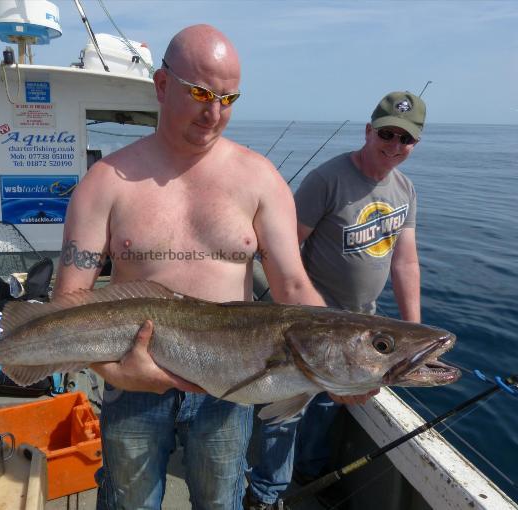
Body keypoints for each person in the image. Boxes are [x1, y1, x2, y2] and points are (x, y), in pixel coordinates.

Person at [52, 24, 325, 510]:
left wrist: (342, 358)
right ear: (161, 85)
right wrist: (112, 372)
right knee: (129, 502)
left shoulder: (260, 179)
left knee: (221, 502)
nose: (214, 112)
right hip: (132, 382)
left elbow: (293, 284)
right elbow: (68, 302)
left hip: (232, 385)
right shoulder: (105, 182)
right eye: (200, 92)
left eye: (228, 97)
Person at [245, 91, 426, 508]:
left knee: (327, 409)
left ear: (416, 144)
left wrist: (413, 334)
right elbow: (285, 247)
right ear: (369, 130)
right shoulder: (327, 179)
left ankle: (310, 475)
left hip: (363, 330)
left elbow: (406, 263)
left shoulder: (406, 189)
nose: (395, 145)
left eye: (406, 139)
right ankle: (266, 492)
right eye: (387, 133)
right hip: (309, 326)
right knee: (285, 412)